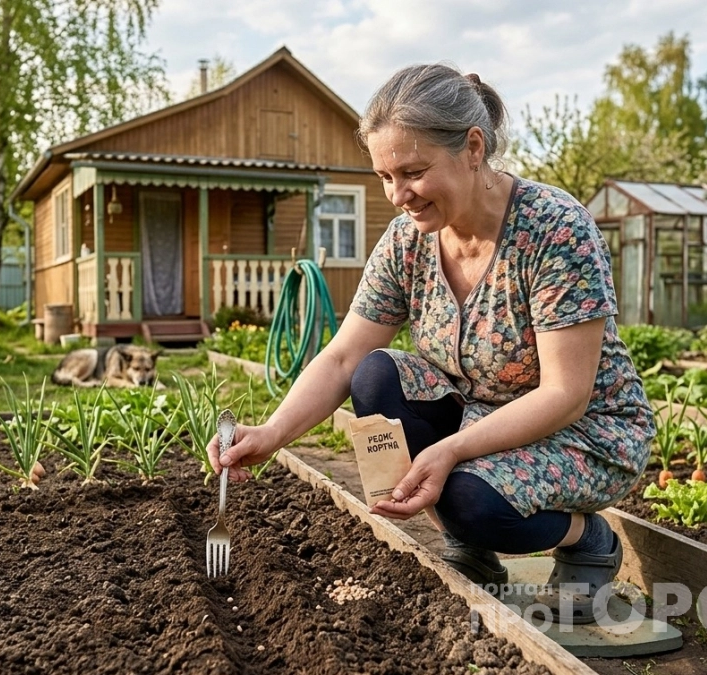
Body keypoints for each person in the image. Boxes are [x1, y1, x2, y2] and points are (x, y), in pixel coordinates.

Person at [206, 63, 654, 624]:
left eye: (413, 171)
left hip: (585, 429)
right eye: (384, 177)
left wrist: (448, 451)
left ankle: (587, 541)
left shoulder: (553, 229)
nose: (398, 195)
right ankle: (471, 544)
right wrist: (273, 433)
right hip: (480, 414)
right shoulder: (409, 242)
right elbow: (344, 356)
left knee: (467, 497)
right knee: (374, 373)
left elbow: (566, 393)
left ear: (472, 148)